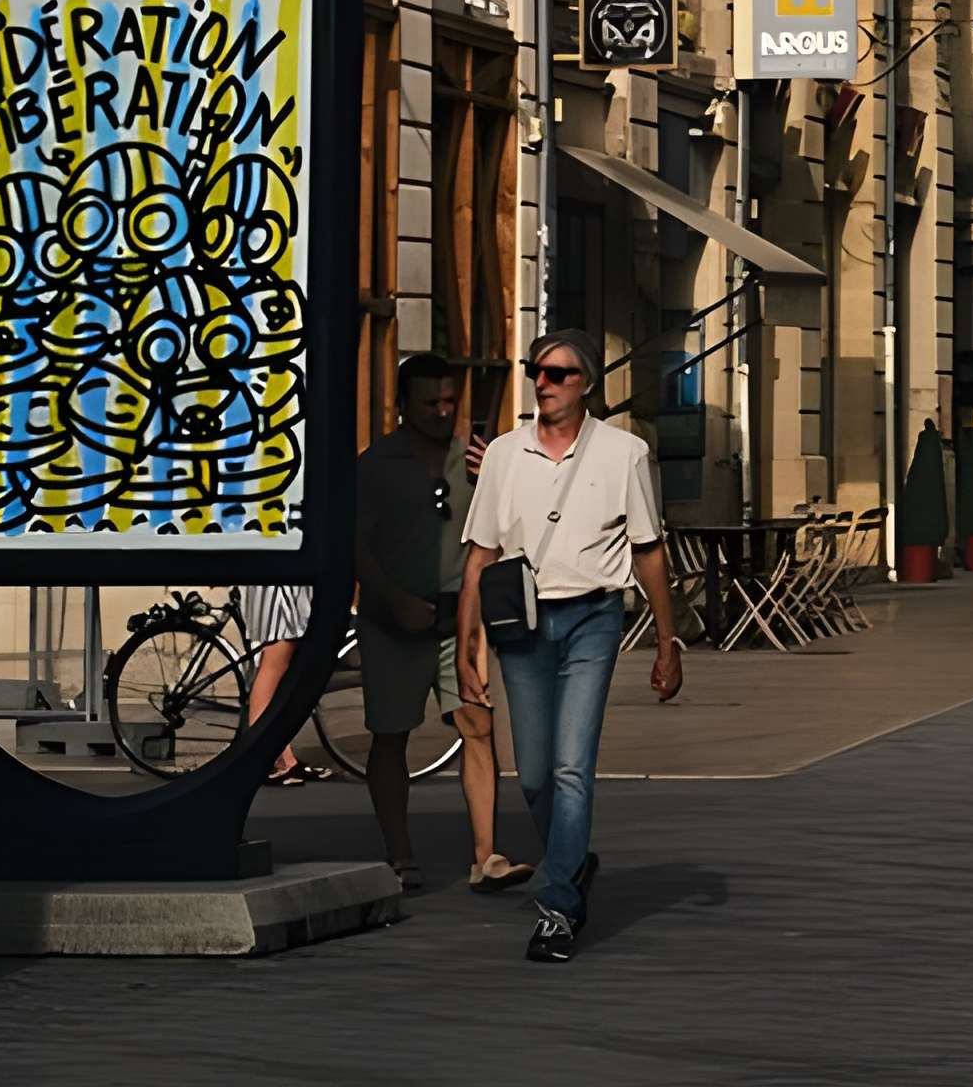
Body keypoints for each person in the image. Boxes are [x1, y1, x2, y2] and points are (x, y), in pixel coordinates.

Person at [458, 330, 682, 964]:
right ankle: (572, 859)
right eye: (537, 371)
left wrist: (668, 640)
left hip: (593, 619)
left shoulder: (624, 454)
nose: (543, 383)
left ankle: (558, 908)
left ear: (586, 385)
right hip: (520, 626)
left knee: (569, 766)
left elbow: (648, 550)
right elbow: (479, 556)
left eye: (557, 374)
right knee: (531, 774)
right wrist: (465, 646)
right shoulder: (503, 453)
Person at [355, 351, 522, 894]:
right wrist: (390, 599)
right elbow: (356, 546)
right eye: (431, 402)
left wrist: (492, 481)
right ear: (403, 405)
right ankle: (399, 853)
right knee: (390, 734)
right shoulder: (377, 464)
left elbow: (506, 532)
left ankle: (485, 854)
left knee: (478, 725)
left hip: (459, 620)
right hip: (392, 620)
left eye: (451, 401)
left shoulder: (474, 460)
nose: (443, 412)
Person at [232, 579, 318, 788]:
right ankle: (264, 757)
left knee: (276, 671)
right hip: (277, 587)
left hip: (281, 584)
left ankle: (283, 757)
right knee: (273, 667)